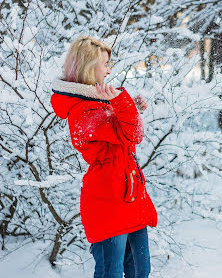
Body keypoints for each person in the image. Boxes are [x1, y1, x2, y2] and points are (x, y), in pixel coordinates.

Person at [50, 36, 157, 278]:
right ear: (89, 66)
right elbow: (133, 134)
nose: (109, 69)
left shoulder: (98, 102)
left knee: (141, 271)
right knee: (111, 272)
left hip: (130, 196)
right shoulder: (81, 110)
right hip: (108, 200)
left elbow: (125, 132)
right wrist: (121, 102)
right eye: (105, 64)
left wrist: (129, 107)